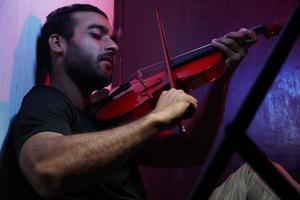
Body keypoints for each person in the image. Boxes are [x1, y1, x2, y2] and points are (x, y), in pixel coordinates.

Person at [12, 3, 299, 200]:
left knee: (258, 176)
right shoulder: (46, 100)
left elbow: (192, 153)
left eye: (112, 38)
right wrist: (153, 119)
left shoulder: (110, 120)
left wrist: (223, 76)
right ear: (57, 44)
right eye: (97, 35)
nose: (113, 46)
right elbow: (44, 169)